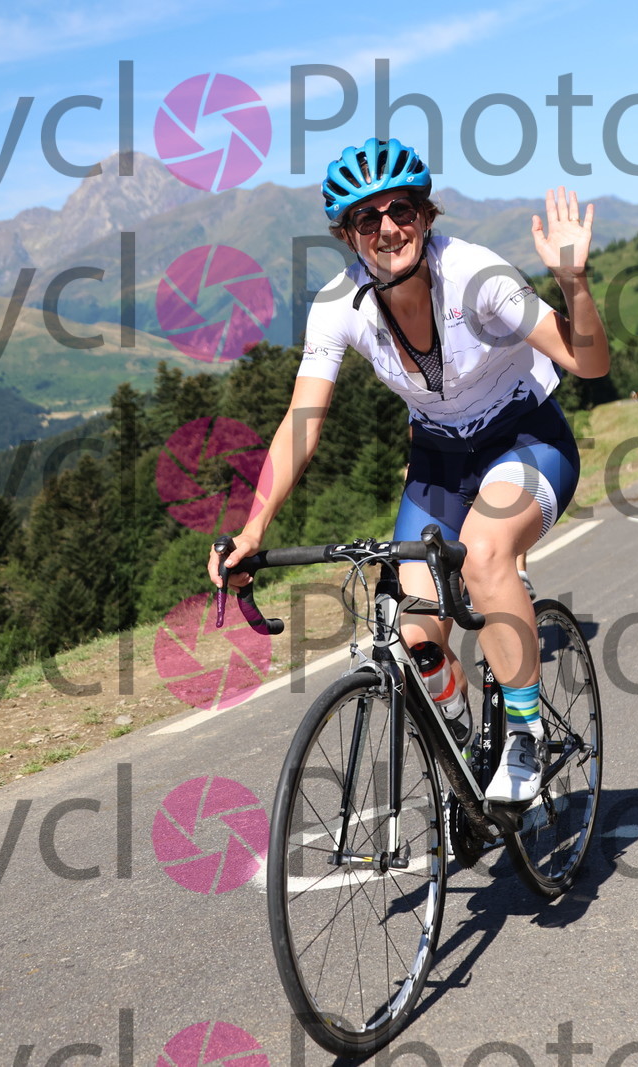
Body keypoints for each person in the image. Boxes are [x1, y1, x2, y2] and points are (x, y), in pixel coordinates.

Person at [208, 137, 607, 805]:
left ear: (426, 215)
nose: (388, 228)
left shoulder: (478, 276)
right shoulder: (340, 306)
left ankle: (526, 735)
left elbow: (588, 363)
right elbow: (302, 419)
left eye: (402, 210)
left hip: (526, 440)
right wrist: (253, 529)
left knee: (486, 554)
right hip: (439, 465)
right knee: (414, 636)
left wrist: (574, 282)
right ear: (348, 235)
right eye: (368, 218)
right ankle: (459, 735)